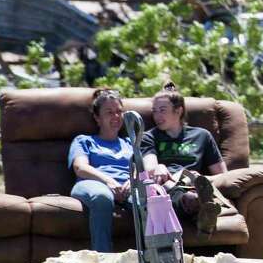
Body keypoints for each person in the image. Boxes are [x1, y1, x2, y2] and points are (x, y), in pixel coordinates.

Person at [139, 83, 230, 234]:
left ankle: (201, 206)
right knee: (178, 195)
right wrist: (159, 167)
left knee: (194, 191)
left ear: (178, 111)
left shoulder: (202, 136)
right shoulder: (149, 137)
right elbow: (150, 167)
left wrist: (202, 179)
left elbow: (222, 174)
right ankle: (200, 209)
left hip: (197, 182)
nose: (157, 116)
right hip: (169, 185)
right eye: (154, 111)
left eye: (162, 110)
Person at [69, 88, 133, 252]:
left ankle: (152, 262)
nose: (116, 116)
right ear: (97, 118)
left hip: (126, 186)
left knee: (147, 200)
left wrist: (131, 182)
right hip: (92, 183)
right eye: (109, 112)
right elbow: (80, 167)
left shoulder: (129, 143)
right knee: (102, 196)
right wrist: (109, 181)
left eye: (119, 111)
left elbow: (140, 169)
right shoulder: (84, 141)